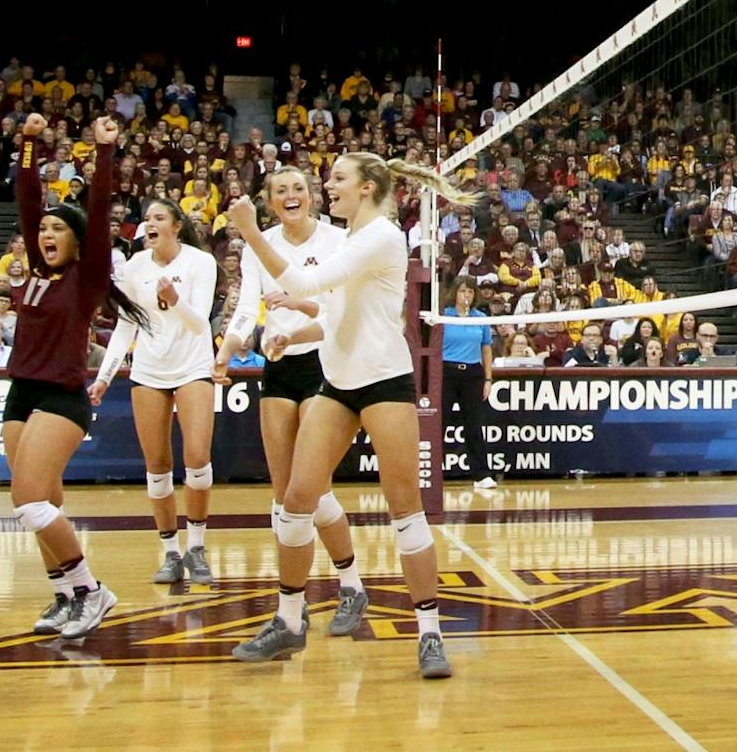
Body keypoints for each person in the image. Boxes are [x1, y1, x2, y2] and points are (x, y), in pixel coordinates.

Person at [223, 152, 474, 677]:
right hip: (337, 384)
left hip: (384, 381)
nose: (327, 185)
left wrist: (250, 231)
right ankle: (289, 620)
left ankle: (429, 633)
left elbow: (304, 284)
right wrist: (292, 331)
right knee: (295, 500)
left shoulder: (382, 235)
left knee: (404, 506)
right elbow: (332, 311)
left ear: (366, 187)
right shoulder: (348, 241)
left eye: (338, 178)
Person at [5, 113, 151, 641]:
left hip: (62, 397)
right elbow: (25, 198)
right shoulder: (37, 272)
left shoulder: (88, 277)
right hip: (21, 393)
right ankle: (64, 595)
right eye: (41, 228)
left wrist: (104, 153)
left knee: (30, 501)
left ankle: (91, 590)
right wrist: (26, 143)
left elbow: (96, 205)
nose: (44, 233)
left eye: (57, 227)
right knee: (44, 502)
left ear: (77, 240)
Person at [214, 167, 366, 635]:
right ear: (270, 201)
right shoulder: (263, 246)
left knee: (314, 492)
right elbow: (247, 307)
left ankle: (351, 585)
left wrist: (299, 319)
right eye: (281, 190)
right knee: (285, 498)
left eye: (298, 187)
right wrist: (226, 348)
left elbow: (339, 310)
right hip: (278, 367)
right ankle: (292, 607)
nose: (291, 195)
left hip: (325, 366)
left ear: (313, 195)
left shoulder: (338, 241)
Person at [95, 198, 219, 585]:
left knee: (197, 458)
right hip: (148, 371)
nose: (149, 223)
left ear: (176, 226)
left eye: (158, 218)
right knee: (157, 465)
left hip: (194, 366)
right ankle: (169, 552)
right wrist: (103, 375)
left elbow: (200, 324)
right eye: (147, 218)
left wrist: (175, 299)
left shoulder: (201, 263)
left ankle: (196, 547)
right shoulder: (133, 269)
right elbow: (126, 329)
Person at [440, 277, 500, 489]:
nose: (466, 295)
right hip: (446, 372)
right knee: (440, 424)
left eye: (470, 292)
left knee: (474, 425)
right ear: (455, 293)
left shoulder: (480, 318)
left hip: (472, 374)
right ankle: (433, 473)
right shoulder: (445, 316)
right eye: (463, 291)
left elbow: (486, 349)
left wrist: (488, 378)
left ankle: (481, 474)